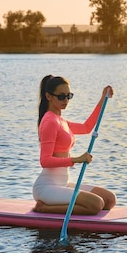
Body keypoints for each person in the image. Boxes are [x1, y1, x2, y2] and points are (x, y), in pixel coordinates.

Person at [33, 75, 116, 215]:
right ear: (48, 96)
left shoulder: (61, 121)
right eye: (61, 97)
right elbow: (45, 161)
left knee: (109, 199)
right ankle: (45, 208)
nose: (66, 100)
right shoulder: (49, 121)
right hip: (47, 188)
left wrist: (103, 99)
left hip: (62, 184)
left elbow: (86, 127)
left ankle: (60, 204)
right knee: (96, 204)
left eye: (68, 96)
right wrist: (76, 159)